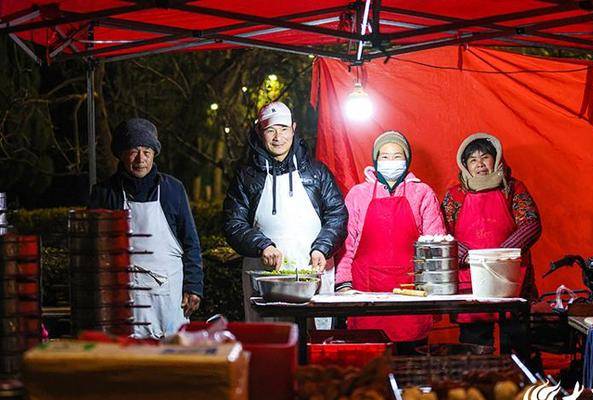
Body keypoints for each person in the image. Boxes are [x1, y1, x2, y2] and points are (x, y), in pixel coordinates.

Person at [223, 101, 348, 322]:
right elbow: (233, 222)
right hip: (265, 276)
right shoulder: (247, 176)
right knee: (272, 339)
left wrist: (322, 248)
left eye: (283, 129)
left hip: (313, 270)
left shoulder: (317, 173)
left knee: (314, 339)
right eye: (270, 130)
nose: (277, 137)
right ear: (260, 133)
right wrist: (261, 245)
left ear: (293, 128)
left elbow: (337, 216)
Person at [89, 118, 203, 339]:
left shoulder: (173, 190)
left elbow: (191, 242)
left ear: (154, 154)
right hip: (123, 298)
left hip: (168, 299)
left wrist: (194, 286)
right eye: (133, 151)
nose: (140, 159)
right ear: (121, 154)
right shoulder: (104, 193)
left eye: (146, 151)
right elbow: (93, 249)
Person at [335, 130, 446, 352]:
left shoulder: (422, 193)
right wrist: (344, 284)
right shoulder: (358, 194)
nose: (391, 161)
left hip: (412, 292)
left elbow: (436, 244)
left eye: (397, 156)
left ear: (407, 160)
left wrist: (435, 292)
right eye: (384, 156)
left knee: (411, 364)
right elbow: (346, 245)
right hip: (365, 291)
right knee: (370, 367)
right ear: (375, 160)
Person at [442, 132, 541, 348]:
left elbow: (531, 223)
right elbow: (442, 233)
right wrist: (467, 255)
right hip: (470, 275)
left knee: (517, 338)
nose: (480, 164)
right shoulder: (454, 196)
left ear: (495, 159)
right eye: (473, 160)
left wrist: (500, 255)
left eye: (485, 157)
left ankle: (519, 379)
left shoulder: (513, 189)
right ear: (465, 164)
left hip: (511, 274)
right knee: (474, 340)